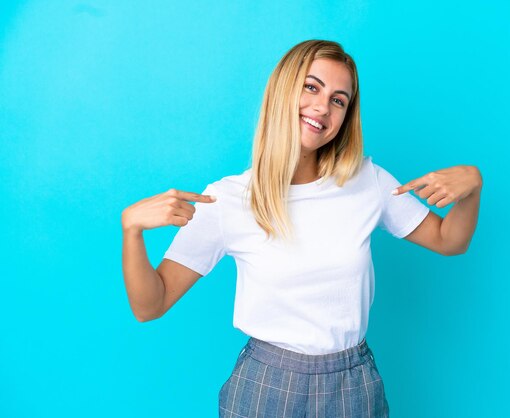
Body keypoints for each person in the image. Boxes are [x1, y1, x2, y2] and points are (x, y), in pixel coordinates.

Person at [121, 39, 482, 417]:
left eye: (339, 100)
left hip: (352, 383)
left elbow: (449, 240)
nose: (323, 107)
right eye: (312, 87)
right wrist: (131, 231)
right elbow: (151, 304)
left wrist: (472, 188)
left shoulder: (367, 182)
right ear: (283, 88)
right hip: (266, 385)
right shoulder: (228, 200)